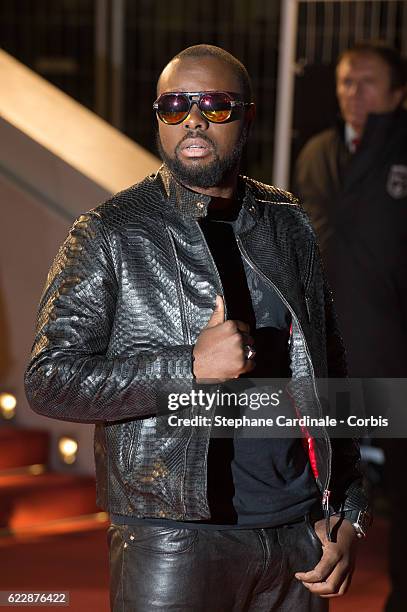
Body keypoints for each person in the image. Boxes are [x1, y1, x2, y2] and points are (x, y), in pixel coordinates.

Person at [25, 45, 370, 612]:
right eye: (174, 105)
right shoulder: (110, 232)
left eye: (214, 104)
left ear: (247, 117)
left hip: (299, 535)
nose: (193, 118)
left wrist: (348, 504)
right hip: (172, 537)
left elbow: (328, 367)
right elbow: (49, 380)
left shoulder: (289, 224)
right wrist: (187, 367)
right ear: (158, 116)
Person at [294, 42, 407, 612]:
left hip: (394, 354)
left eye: (366, 82)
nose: (352, 93)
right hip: (327, 352)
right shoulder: (316, 151)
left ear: (396, 93)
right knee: (322, 489)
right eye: (344, 81)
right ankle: (306, 593)